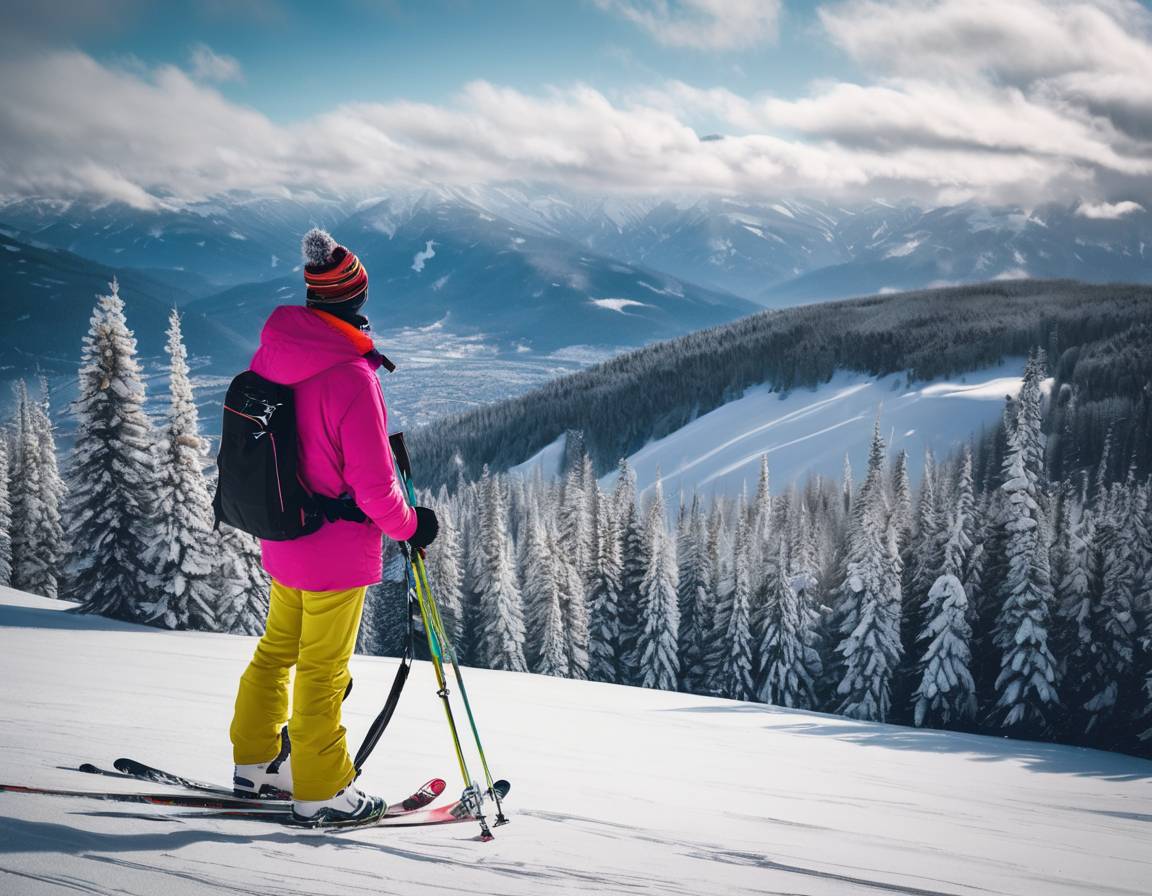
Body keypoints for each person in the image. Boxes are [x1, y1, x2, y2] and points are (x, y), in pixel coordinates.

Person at [228, 228, 439, 826]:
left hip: (283, 534)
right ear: (357, 298)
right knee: (323, 669)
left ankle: (256, 763)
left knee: (276, 651)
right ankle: (321, 789)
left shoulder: (276, 352)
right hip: (334, 551)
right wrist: (411, 527)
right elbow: (374, 486)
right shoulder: (351, 376)